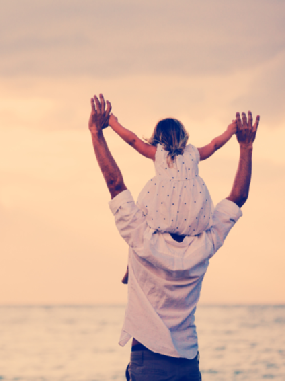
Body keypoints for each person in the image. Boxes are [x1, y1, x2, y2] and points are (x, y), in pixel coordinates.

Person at [88, 94, 259, 381]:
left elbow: (115, 182)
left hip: (148, 360)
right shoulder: (204, 244)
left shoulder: (141, 237)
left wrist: (98, 132)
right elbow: (237, 198)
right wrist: (245, 145)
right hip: (188, 363)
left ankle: (130, 270)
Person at [107, 115, 237, 284]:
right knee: (181, 232)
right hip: (191, 210)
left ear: (158, 137)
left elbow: (132, 140)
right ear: (183, 134)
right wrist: (230, 131)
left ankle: (129, 267)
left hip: (162, 205)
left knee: (137, 227)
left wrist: (112, 123)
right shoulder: (193, 153)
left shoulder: (158, 153)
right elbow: (215, 144)